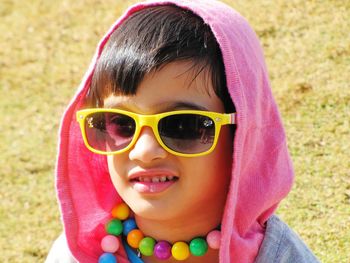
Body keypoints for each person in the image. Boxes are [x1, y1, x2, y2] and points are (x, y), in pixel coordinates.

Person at [46, 0, 320, 262]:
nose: (144, 152)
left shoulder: (279, 257)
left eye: (181, 126)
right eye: (121, 123)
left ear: (243, 136)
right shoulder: (78, 256)